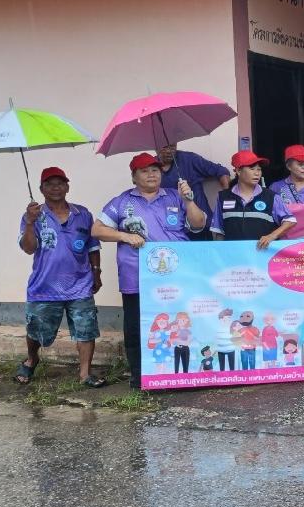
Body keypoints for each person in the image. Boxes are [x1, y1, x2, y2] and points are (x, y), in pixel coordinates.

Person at [93, 152, 207, 389]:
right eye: (144, 171)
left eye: (155, 170)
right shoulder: (122, 202)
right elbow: (97, 230)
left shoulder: (175, 196)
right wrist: (124, 235)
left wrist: (189, 200)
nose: (151, 174)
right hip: (137, 278)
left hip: (177, 277)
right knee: (137, 326)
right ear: (134, 176)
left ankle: (182, 374)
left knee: (180, 323)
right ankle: (139, 376)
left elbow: (199, 224)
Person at [15, 166, 106, 388]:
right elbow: (28, 248)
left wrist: (96, 272)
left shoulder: (82, 214)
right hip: (44, 286)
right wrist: (30, 222)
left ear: (67, 187)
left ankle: (85, 374)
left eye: (60, 183)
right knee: (36, 331)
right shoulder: (33, 215)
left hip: (80, 284)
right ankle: (32, 359)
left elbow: (93, 247)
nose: (55, 187)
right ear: (41, 189)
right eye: (49, 184)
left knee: (86, 329)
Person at [212, 151, 293, 248]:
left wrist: (272, 236)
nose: (257, 173)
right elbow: (218, 230)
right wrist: (220, 252)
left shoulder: (271, 196)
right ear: (238, 171)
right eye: (252, 169)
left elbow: (290, 220)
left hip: (262, 254)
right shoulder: (223, 197)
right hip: (233, 254)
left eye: (259, 169)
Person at [155, 143, 230, 238]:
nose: (170, 151)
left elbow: (221, 171)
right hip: (170, 228)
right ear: (156, 148)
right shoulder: (151, 167)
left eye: (173, 146)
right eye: (165, 147)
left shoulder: (189, 159)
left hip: (199, 225)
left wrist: (227, 197)